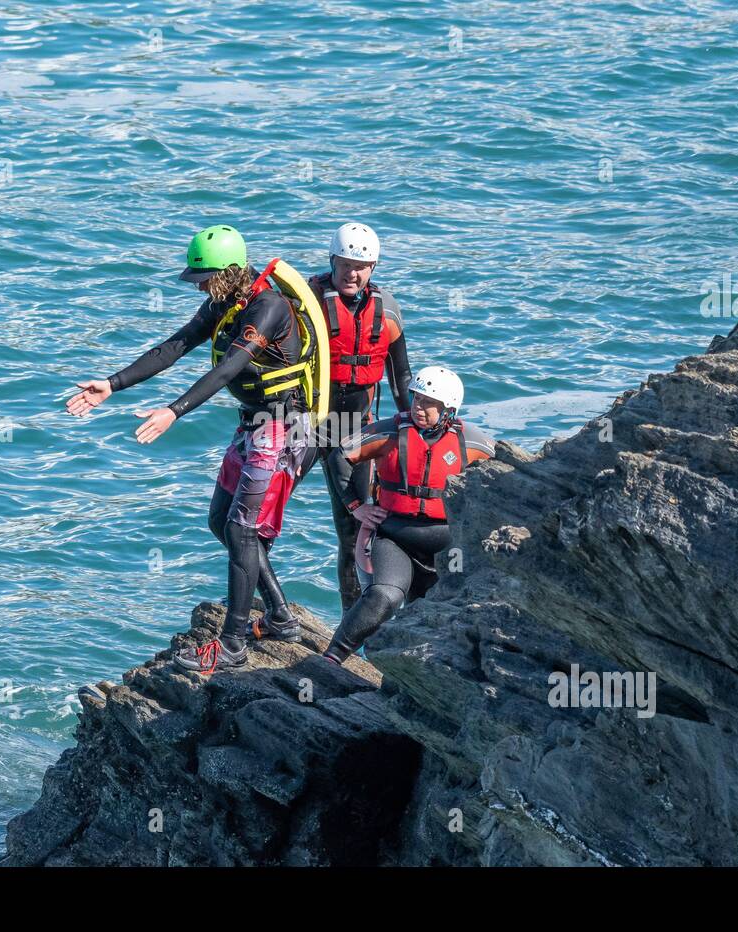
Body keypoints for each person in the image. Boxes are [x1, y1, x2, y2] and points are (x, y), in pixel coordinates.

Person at [65, 225, 326, 673]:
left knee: (243, 532)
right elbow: (174, 347)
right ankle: (280, 616)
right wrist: (112, 384)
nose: (199, 286)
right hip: (254, 425)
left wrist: (173, 411)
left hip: (285, 429)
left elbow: (228, 370)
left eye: (204, 278)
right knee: (219, 521)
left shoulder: (268, 309)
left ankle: (232, 644)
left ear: (228, 272)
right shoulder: (224, 303)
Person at [321, 366, 494, 664]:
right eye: (416, 399)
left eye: (429, 403)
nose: (419, 407)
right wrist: (356, 507)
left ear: (449, 410)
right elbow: (340, 457)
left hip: (445, 545)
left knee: (441, 616)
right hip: (395, 537)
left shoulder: (471, 442)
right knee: (384, 596)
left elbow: (506, 470)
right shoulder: (389, 432)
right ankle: (331, 659)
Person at [307, 223, 413, 613]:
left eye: (363, 266)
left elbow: (401, 375)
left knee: (353, 529)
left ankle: (352, 619)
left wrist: (408, 425)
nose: (353, 273)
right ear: (331, 260)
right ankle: (266, 605)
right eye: (346, 264)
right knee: (263, 509)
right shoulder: (308, 301)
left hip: (356, 425)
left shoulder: (387, 310)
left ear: (373, 268)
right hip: (306, 420)